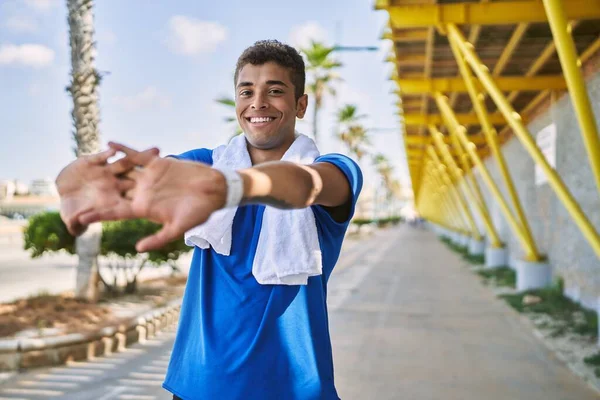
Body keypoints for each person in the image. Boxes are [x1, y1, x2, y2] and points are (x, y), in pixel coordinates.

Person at [56, 40, 362, 400]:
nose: (258, 102)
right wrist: (98, 181)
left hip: (293, 389)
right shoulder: (205, 164)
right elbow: (150, 179)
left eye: (275, 91)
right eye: (246, 91)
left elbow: (303, 185)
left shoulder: (336, 170)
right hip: (198, 385)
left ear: (301, 104)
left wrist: (229, 187)